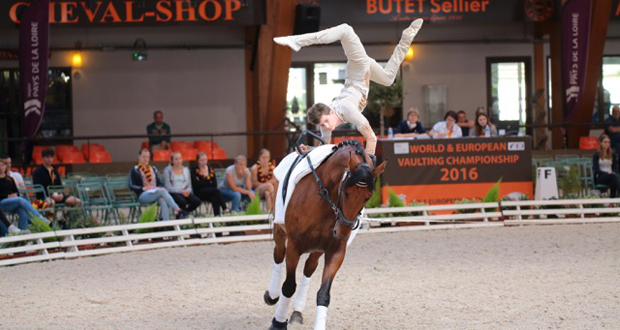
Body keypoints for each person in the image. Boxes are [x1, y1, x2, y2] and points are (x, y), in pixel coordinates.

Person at [275, 19, 424, 155]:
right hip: (364, 74)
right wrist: (308, 150)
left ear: (331, 112)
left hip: (358, 70)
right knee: (388, 79)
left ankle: (297, 40)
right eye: (322, 125)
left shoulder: (347, 108)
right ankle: (407, 36)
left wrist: (368, 161)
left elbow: (371, 137)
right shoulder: (325, 125)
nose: (327, 126)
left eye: (326, 121)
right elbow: (324, 148)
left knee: (346, 29)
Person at [129, 149, 180, 220]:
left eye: (147, 157)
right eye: (144, 157)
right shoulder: (135, 170)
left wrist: (158, 187)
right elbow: (131, 185)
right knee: (162, 191)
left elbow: (158, 183)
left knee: (162, 199)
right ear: (139, 157)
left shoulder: (153, 168)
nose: (146, 159)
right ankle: (177, 209)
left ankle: (166, 223)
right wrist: (143, 188)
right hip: (143, 195)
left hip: (155, 192)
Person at [0, 160, 48, 233]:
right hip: (2, 202)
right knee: (20, 200)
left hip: (13, 201)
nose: (2, 167)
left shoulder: (10, 179)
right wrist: (7, 196)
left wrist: (15, 195)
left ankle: (22, 232)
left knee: (22, 210)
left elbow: (16, 192)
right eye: (0, 165)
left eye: (3, 165)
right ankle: (39, 217)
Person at [163, 152, 201, 218]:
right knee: (182, 202)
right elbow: (168, 187)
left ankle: (184, 212)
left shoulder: (186, 170)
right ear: (172, 161)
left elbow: (189, 185)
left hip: (185, 191)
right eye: (176, 159)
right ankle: (180, 218)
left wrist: (188, 190)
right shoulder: (167, 171)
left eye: (180, 158)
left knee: (197, 201)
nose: (178, 161)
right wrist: (181, 191)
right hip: (173, 192)